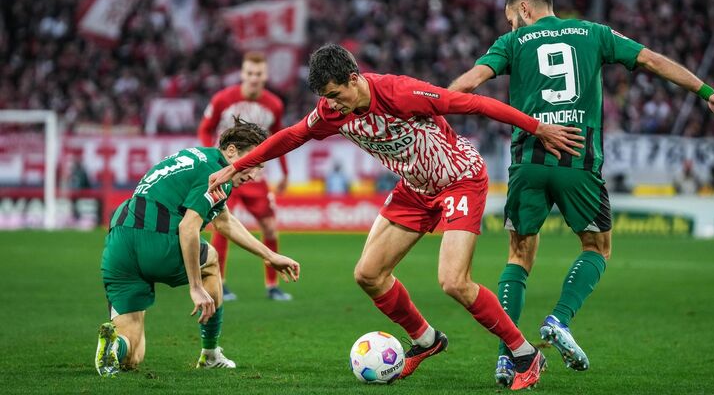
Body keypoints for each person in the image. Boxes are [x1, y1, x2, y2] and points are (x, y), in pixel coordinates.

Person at [209, 44, 583, 390]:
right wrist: (237, 167)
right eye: (326, 99)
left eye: (336, 95)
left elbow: (473, 105)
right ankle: (426, 340)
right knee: (368, 274)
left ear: (354, 79)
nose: (332, 106)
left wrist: (538, 128)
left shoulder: (400, 92)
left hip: (459, 179)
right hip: (415, 189)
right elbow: (291, 136)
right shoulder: (330, 112)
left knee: (454, 282)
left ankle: (524, 353)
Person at [448, 0, 714, 385]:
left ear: (523, 8)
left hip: (529, 160)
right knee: (597, 247)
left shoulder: (512, 43)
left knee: (518, 256)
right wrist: (708, 93)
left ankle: (509, 356)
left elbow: (470, 83)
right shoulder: (594, 33)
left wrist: (432, 105)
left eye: (511, 19)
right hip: (579, 159)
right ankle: (559, 319)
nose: (511, 27)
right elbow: (652, 60)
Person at [94, 119, 301, 377]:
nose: (253, 175)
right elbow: (188, 228)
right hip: (156, 239)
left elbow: (224, 221)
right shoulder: (215, 173)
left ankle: (114, 346)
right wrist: (195, 287)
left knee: (133, 354)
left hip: (119, 243)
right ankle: (211, 354)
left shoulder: (197, 157)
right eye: (254, 164)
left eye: (260, 168)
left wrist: (269, 256)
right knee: (212, 260)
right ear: (232, 151)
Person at [197, 51, 293, 301]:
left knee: (270, 228)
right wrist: (213, 160)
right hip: (226, 174)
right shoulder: (222, 99)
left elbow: (278, 139)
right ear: (242, 73)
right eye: (249, 73)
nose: (253, 78)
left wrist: (284, 172)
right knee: (222, 224)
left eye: (258, 73)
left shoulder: (274, 105)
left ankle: (272, 285)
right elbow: (205, 129)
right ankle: (220, 281)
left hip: (254, 176)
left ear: (265, 75)